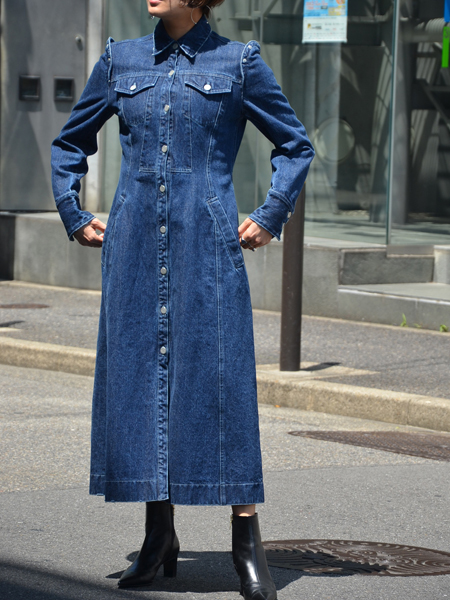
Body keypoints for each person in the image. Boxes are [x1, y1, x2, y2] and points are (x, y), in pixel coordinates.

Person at [51, 1, 314, 598]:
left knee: (222, 383)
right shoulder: (119, 60)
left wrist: (271, 213)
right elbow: (70, 143)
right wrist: (73, 212)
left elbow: (295, 145)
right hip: (134, 248)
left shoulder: (238, 62)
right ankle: (159, 534)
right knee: (142, 383)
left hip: (208, 246)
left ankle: (245, 539)